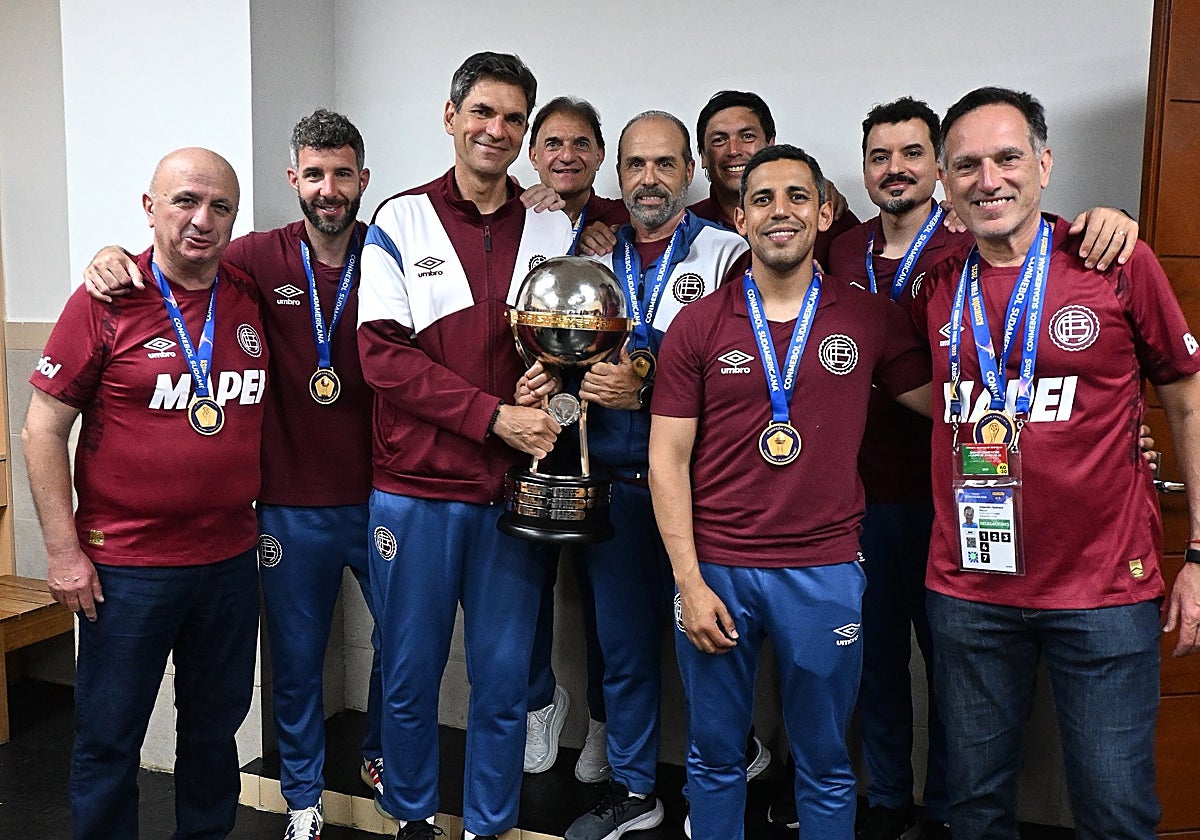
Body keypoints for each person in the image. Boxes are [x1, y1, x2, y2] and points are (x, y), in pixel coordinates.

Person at [822, 95, 1144, 840]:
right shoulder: (845, 248)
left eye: (912, 153)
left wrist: (1084, 431)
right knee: (881, 670)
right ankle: (891, 804)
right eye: (879, 156)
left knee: (971, 693)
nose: (894, 167)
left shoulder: (970, 251)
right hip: (873, 503)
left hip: (967, 509)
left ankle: (938, 812)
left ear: (937, 170)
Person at [81, 110, 388, 840]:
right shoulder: (256, 255)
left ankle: (388, 766)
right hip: (283, 507)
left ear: (363, 180)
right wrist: (111, 253)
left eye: (343, 173)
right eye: (314, 174)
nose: (329, 188)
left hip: (383, 496)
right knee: (294, 661)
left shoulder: (395, 252)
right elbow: (183, 255)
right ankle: (304, 799)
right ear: (294, 181)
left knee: (404, 643)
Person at [910, 86, 1200, 840]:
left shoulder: (1114, 261)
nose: (989, 179)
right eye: (967, 165)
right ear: (945, 182)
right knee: (973, 810)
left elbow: (1188, 404)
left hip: (1102, 593)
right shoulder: (937, 287)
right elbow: (925, 391)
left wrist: (1199, 552)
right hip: (970, 588)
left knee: (1114, 812)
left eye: (1008, 158)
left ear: (1043, 163)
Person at [648, 144, 931, 840]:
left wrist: (1081, 425)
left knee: (827, 763)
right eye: (765, 199)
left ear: (825, 211)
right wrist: (688, 581)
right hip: (718, 569)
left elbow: (956, 407)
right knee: (714, 760)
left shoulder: (869, 319)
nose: (782, 212)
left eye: (798, 197)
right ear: (740, 217)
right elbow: (666, 460)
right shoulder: (700, 323)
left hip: (825, 570)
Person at [357, 52, 574, 840]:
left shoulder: (553, 223)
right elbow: (383, 357)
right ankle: (412, 816)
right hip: (416, 491)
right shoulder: (398, 219)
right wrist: (491, 416)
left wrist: (547, 376)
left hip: (510, 492)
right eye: (482, 112)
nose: (497, 130)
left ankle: (489, 824)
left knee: (504, 680)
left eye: (513, 119)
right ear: (451, 117)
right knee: (411, 675)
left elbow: (573, 331)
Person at [24, 147, 267, 840]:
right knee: (108, 740)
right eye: (186, 201)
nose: (202, 219)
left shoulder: (247, 298)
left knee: (215, 738)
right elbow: (41, 430)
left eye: (220, 207)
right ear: (150, 208)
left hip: (226, 564)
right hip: (125, 569)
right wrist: (65, 553)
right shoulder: (105, 301)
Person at [533, 110, 749, 840]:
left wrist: (647, 383)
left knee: (709, 651)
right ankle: (634, 791)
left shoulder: (726, 251)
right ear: (616, 176)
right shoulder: (592, 257)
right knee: (623, 653)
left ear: (689, 171)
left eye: (664, 164)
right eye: (635, 165)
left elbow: (745, 368)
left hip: (702, 494)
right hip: (616, 490)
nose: (649, 179)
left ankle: (721, 785)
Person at [522, 95, 627, 783]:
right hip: (530, 423)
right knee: (519, 582)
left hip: (605, 429)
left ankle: (601, 718)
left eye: (580, 143)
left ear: (599, 155)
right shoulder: (515, 211)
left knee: (601, 592)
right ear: (534, 154)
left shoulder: (623, 223)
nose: (566, 155)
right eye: (553, 143)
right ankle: (539, 702)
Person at [690, 90, 858, 267]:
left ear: (770, 143)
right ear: (703, 156)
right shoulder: (687, 227)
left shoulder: (825, 216)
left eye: (747, 136)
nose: (734, 150)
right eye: (719, 140)